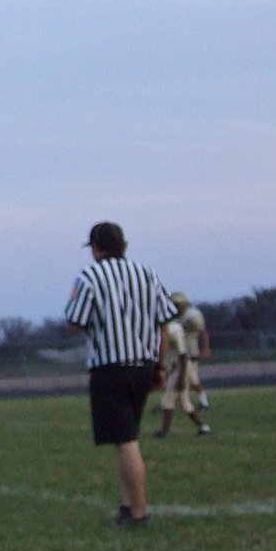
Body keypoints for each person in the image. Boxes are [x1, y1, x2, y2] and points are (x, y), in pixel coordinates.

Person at [65, 221, 177, 528]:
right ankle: (128, 505)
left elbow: (75, 320)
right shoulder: (146, 273)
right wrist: (160, 365)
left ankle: (138, 511)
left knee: (126, 440)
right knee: (126, 437)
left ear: (96, 246)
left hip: (111, 368)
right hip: (144, 364)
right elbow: (164, 322)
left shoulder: (91, 275)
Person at [152, 312, 212, 437]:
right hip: (177, 366)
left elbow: (183, 356)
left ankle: (164, 432)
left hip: (182, 367)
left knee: (168, 400)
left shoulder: (173, 331)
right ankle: (203, 427)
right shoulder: (164, 330)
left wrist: (181, 379)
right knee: (185, 403)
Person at [171, 290, 213, 409]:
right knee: (174, 378)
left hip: (190, 350)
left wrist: (206, 348)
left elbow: (203, 332)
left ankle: (204, 401)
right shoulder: (172, 316)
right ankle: (173, 402)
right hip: (176, 350)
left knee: (192, 378)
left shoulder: (192, 315)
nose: (175, 307)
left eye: (177, 305)